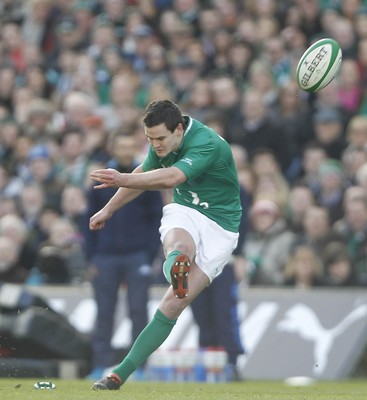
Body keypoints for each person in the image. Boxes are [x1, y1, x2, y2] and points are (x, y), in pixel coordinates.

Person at [89, 99, 242, 390]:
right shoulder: (163, 141)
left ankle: (176, 274)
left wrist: (120, 177)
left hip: (221, 226)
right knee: (180, 247)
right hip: (186, 209)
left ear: (179, 129)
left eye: (160, 138)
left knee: (172, 305)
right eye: (149, 139)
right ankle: (116, 376)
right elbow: (141, 175)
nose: (155, 145)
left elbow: (172, 177)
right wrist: (109, 209)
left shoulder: (207, 143)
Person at [84, 132, 163, 379]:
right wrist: (91, 258)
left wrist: (148, 255)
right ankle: (99, 364)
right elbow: (87, 221)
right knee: (104, 312)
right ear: (113, 149)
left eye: (130, 146)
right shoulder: (100, 181)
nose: (126, 150)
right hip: (105, 257)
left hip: (136, 255)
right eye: (122, 146)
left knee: (138, 311)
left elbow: (155, 220)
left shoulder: (146, 178)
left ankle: (139, 366)